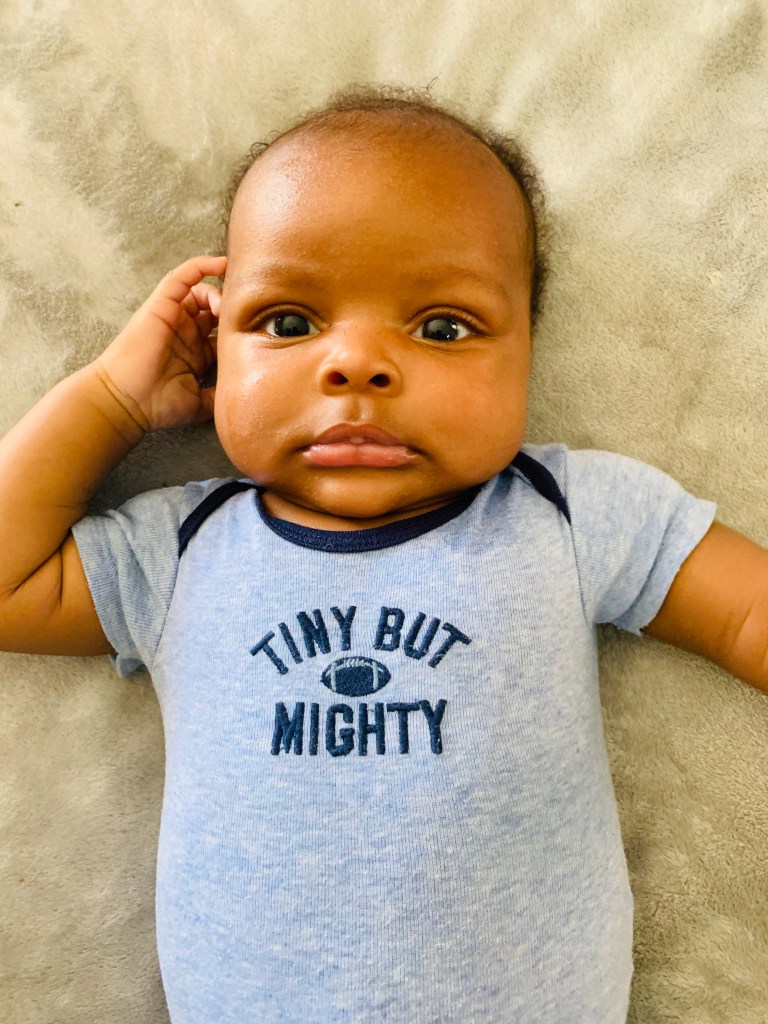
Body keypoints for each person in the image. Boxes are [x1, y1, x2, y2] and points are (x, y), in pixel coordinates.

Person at [1, 83, 766, 1024]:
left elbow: (749, 611)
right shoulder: (180, 552)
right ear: (215, 345)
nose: (356, 364)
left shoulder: (569, 515)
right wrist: (113, 402)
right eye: (289, 322)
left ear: (527, 351)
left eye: (442, 327)